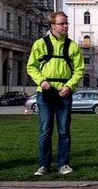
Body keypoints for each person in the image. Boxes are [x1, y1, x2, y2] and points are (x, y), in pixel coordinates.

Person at [26, 11, 85, 177]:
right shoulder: (40, 44)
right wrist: (42, 81)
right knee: (45, 130)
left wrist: (69, 86)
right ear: (53, 26)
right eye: (62, 23)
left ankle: (63, 163)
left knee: (64, 131)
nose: (66, 26)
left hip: (64, 91)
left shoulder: (72, 46)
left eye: (67, 23)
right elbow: (31, 66)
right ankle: (43, 165)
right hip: (45, 91)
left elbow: (79, 69)